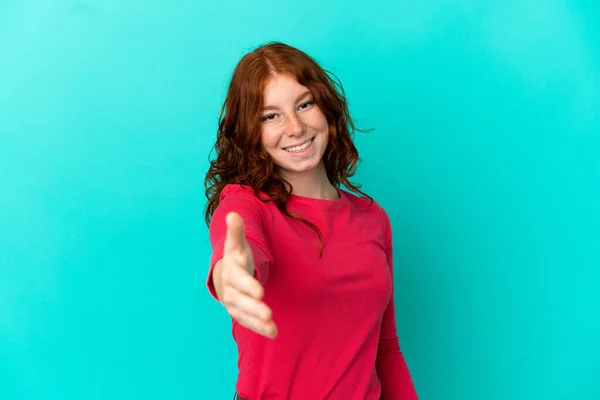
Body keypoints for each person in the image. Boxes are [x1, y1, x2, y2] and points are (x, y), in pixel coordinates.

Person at [204, 42, 418, 400]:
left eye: (304, 105)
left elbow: (386, 348)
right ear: (250, 132)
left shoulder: (372, 218)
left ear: (326, 109)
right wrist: (233, 272)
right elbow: (238, 244)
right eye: (269, 116)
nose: (295, 127)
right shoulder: (246, 204)